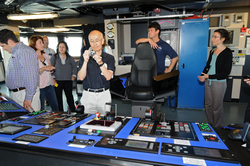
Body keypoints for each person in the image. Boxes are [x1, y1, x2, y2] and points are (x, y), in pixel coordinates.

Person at [198, 29, 232, 128]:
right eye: (213, 36)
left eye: (215, 37)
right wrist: (203, 75)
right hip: (208, 81)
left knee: (216, 107)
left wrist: (209, 76)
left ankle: (217, 128)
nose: (212, 39)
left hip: (219, 83)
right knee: (208, 105)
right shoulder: (213, 51)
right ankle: (211, 125)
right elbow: (208, 66)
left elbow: (226, 72)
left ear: (222, 39)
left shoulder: (227, 53)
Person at [0, 29, 40, 112]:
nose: (3, 49)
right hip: (18, 93)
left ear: (10, 41)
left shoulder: (24, 52)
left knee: (31, 122)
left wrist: (28, 98)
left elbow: (30, 76)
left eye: (3, 46)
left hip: (25, 93)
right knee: (22, 123)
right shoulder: (16, 52)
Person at [78, 30, 115, 116]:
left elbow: (108, 77)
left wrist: (101, 63)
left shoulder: (109, 58)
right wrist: (85, 62)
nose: (94, 43)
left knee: (105, 122)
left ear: (102, 41)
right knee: (87, 121)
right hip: (88, 95)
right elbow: (81, 77)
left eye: (97, 40)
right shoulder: (84, 57)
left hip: (103, 95)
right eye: (92, 41)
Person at [29, 35, 59, 111]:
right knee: (41, 107)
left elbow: (48, 67)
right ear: (33, 44)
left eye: (42, 42)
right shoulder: (31, 57)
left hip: (50, 84)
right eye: (40, 42)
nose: (43, 44)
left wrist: (50, 69)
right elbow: (32, 72)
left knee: (55, 105)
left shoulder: (45, 55)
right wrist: (43, 68)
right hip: (40, 86)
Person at [50, 41, 77, 112]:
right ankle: (60, 112)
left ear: (66, 48)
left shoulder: (70, 58)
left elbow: (75, 67)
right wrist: (52, 78)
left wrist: (73, 75)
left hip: (68, 80)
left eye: (63, 47)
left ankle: (73, 110)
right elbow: (50, 68)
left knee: (69, 96)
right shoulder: (54, 57)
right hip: (57, 81)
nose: (61, 48)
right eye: (60, 47)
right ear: (58, 48)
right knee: (58, 97)